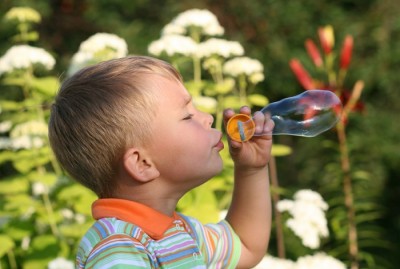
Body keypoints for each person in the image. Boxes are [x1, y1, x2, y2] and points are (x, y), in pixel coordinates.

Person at [48, 55, 274, 269]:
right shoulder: (118, 248)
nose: (208, 118)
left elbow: (245, 245)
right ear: (142, 163)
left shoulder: (180, 232)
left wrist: (251, 170)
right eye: (187, 116)